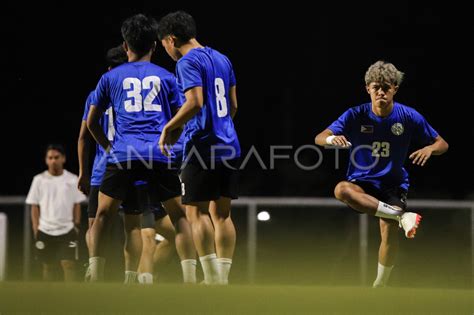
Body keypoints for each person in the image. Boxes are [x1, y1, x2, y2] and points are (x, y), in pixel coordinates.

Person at [314, 60, 449, 288]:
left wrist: (429, 149)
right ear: (368, 88)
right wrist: (331, 139)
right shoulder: (355, 115)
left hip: (392, 184)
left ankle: (380, 286)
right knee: (341, 189)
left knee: (389, 235)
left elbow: (442, 143)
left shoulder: (408, 116)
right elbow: (319, 137)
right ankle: (399, 216)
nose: (381, 92)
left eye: (386, 87)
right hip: (361, 183)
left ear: (395, 88)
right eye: (376, 87)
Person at [86, 13, 196, 283]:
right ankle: (192, 280)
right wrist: (172, 138)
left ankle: (96, 275)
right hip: (158, 154)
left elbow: (91, 122)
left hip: (123, 154)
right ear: (155, 46)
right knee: (179, 216)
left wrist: (108, 147)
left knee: (105, 216)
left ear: (126, 46)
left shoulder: (110, 78)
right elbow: (184, 112)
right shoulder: (167, 76)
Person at [158, 11, 240, 285]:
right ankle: (223, 278)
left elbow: (195, 102)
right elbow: (234, 106)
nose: (166, 51)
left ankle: (212, 278)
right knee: (222, 213)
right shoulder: (222, 58)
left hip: (202, 146)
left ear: (171, 39)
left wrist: (170, 128)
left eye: (164, 45)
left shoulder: (186, 62)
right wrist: (221, 128)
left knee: (196, 211)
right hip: (229, 144)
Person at [26, 144, 86, 281]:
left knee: (69, 264)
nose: (53, 160)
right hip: (45, 229)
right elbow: (34, 206)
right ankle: (49, 298)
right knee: (47, 265)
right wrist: (36, 228)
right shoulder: (39, 180)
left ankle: (70, 298)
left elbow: (77, 204)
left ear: (63, 159)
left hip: (67, 230)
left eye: (56, 157)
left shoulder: (72, 179)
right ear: (46, 160)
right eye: (50, 158)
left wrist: (76, 225)